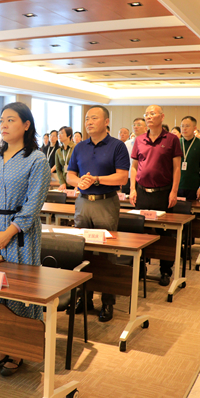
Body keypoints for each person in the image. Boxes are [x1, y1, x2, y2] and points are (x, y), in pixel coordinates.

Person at [0, 101, 50, 377]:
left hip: (20, 236)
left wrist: (9, 232)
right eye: (2, 120)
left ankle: (19, 349)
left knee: (18, 293)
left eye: (11, 120)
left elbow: (34, 203)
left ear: (26, 125)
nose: (4, 125)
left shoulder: (37, 159)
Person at [67, 105, 130, 322]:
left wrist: (95, 180)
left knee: (106, 254)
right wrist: (80, 182)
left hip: (106, 203)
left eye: (94, 118)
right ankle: (84, 298)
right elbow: (70, 175)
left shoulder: (117, 146)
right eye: (87, 118)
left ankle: (107, 301)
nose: (89, 122)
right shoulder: (80, 146)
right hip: (83, 203)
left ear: (106, 121)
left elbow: (122, 177)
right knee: (81, 252)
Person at [129, 105, 182, 286]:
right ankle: (141, 267)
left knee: (165, 233)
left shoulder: (172, 139)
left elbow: (177, 168)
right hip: (142, 192)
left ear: (162, 116)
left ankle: (165, 270)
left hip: (163, 193)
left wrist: (174, 191)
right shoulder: (139, 140)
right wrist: (132, 189)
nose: (149, 117)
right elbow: (134, 166)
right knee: (140, 231)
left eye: (152, 114)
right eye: (146, 114)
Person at [177, 116, 200, 201]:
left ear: (194, 128)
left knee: (191, 208)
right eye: (182, 126)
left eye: (187, 126)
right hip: (177, 184)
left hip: (193, 185)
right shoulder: (177, 142)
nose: (184, 128)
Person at [122, 117, 147, 193]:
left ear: (146, 128)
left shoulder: (149, 144)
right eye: (134, 125)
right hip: (128, 178)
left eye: (139, 125)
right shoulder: (127, 144)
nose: (135, 127)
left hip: (144, 179)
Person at [55, 126, 74, 190]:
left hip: (75, 183)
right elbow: (58, 169)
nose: (59, 135)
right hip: (64, 184)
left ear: (69, 135)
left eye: (62, 133)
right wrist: (62, 182)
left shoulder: (76, 148)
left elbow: (81, 167)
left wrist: (78, 183)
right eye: (58, 133)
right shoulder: (58, 151)